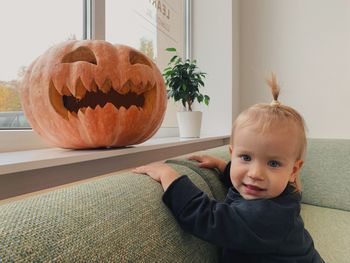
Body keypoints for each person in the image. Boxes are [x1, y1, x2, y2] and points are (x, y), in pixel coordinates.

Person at [133, 73, 324, 262]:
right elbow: (240, 184)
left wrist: (170, 177)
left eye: (273, 163)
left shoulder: (271, 217)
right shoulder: (269, 191)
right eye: (246, 157)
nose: (255, 174)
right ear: (232, 153)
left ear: (293, 171)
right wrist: (223, 167)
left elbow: (209, 218)